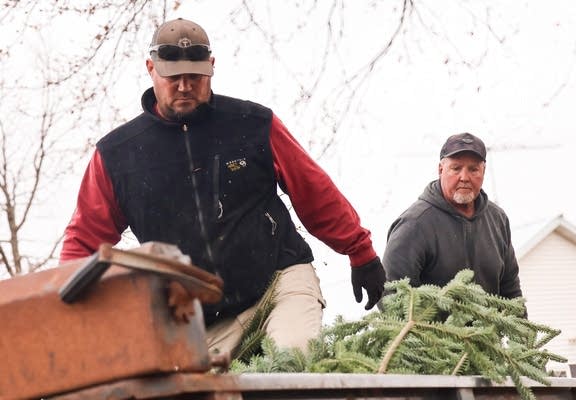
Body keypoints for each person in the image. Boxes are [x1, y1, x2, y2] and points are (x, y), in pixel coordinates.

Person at [59, 18, 385, 353]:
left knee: (292, 357)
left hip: (279, 281)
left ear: (211, 67)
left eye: (195, 76)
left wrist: (360, 252)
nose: (184, 86)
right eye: (173, 76)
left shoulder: (254, 124)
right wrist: (63, 303)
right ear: (151, 69)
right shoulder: (117, 155)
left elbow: (314, 191)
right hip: (199, 320)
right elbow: (84, 240)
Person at [382, 132, 524, 301]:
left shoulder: (498, 220)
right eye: (456, 168)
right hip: (430, 328)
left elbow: (511, 290)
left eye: (473, 169)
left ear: (483, 171)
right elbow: (392, 296)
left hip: (490, 328)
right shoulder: (415, 224)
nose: (464, 177)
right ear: (441, 170)